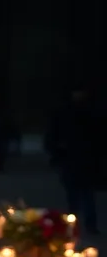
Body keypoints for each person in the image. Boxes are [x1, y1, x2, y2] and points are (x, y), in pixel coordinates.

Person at [45, 86, 99, 237]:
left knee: (85, 194)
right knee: (75, 195)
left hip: (83, 159)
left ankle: (86, 225)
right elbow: (52, 135)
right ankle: (76, 224)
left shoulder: (88, 113)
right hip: (71, 159)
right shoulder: (65, 113)